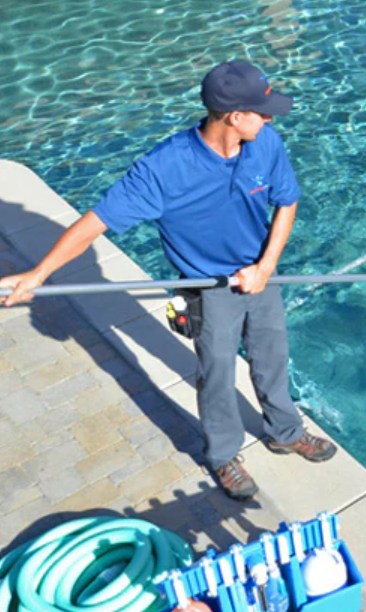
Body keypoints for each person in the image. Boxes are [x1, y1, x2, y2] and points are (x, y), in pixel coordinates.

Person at [0, 60, 336, 501]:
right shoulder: (163, 169)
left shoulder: (266, 143)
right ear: (234, 116)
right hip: (206, 285)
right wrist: (38, 274)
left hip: (259, 273)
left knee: (271, 355)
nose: (271, 117)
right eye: (262, 110)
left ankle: (285, 432)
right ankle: (222, 456)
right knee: (217, 371)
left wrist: (267, 266)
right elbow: (94, 223)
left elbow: (287, 203)